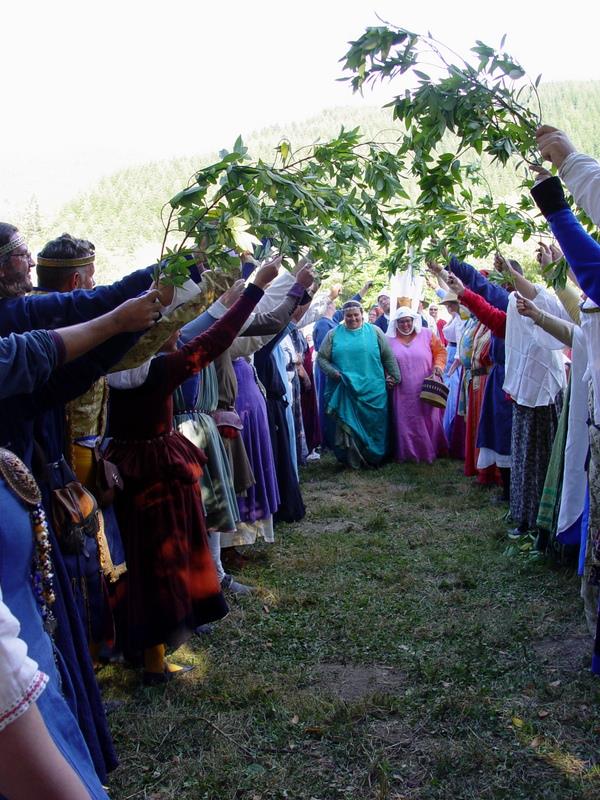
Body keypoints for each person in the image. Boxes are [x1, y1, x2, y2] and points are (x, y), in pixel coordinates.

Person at [106, 260, 279, 684]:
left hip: (120, 465)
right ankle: (154, 658)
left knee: (134, 561)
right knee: (162, 562)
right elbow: (217, 337)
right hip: (158, 472)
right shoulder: (160, 371)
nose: (177, 333)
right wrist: (256, 288)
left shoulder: (107, 367)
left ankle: (138, 649)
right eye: (169, 329)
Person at [316, 300, 400, 467]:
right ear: (343, 316)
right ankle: (352, 459)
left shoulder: (375, 331)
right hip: (346, 389)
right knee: (349, 425)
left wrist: (395, 376)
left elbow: (388, 356)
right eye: (349, 315)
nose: (353, 318)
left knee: (375, 423)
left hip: (373, 388)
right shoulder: (333, 334)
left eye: (356, 315)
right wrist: (333, 372)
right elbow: (322, 358)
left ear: (362, 314)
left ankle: (375, 457)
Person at [386, 307, 448, 463]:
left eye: (408, 321)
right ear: (396, 323)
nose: (405, 324)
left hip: (426, 386)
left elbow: (440, 352)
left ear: (414, 321)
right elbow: (383, 361)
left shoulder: (427, 334)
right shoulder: (388, 340)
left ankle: (431, 449)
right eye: (401, 322)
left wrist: (438, 367)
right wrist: (387, 376)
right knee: (405, 420)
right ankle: (408, 453)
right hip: (402, 389)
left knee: (428, 418)